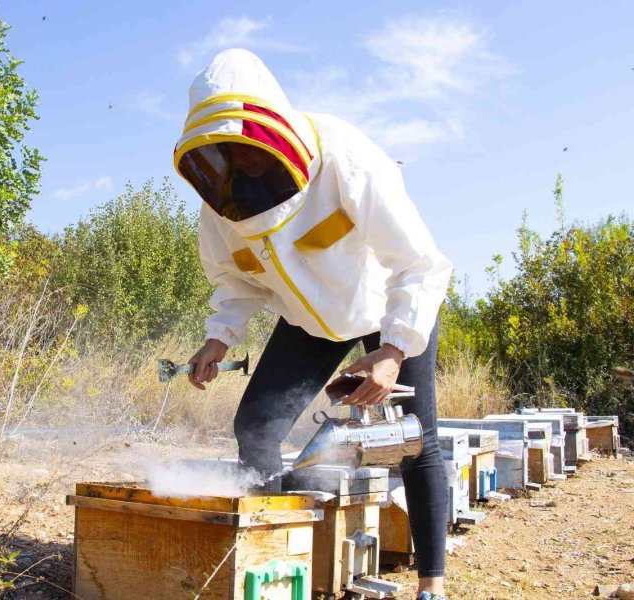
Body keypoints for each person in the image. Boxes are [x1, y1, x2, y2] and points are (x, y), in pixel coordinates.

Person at [174, 49, 453, 600]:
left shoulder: (346, 158)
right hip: (309, 321)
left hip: (388, 304)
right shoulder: (223, 206)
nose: (242, 161)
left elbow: (420, 264)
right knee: (254, 426)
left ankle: (432, 586)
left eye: (246, 144)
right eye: (227, 150)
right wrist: (218, 336)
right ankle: (270, 565)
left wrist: (394, 349)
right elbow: (236, 280)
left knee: (419, 440)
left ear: (272, 120)